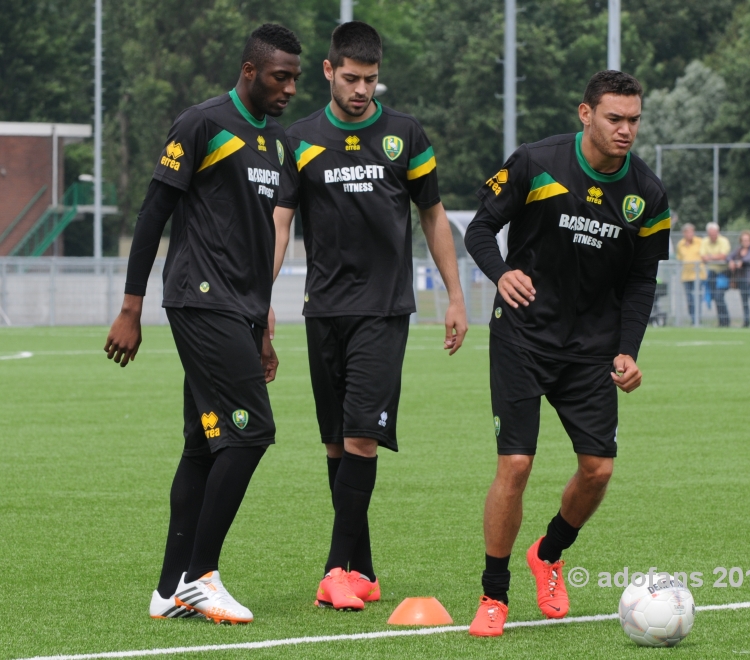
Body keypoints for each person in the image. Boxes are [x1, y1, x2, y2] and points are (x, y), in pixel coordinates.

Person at [103, 24, 302, 624]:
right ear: (249, 71)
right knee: (251, 432)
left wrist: (263, 326)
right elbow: (152, 214)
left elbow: (260, 236)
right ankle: (201, 575)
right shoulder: (203, 124)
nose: (290, 87)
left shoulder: (276, 143)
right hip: (200, 299)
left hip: (242, 310)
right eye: (280, 77)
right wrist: (131, 307)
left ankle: (169, 588)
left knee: (204, 444)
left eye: (295, 77)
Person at [464, 70, 671, 637]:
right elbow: (480, 229)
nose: (626, 129)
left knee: (598, 469)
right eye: (614, 118)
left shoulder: (647, 194)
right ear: (586, 114)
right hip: (523, 336)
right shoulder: (536, 162)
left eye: (633, 119)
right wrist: (501, 273)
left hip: (592, 349)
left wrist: (628, 351)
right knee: (517, 462)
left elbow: (641, 282)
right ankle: (494, 596)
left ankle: (549, 553)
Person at [273, 21, 468, 611]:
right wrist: (261, 299)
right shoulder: (299, 138)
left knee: (361, 438)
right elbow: (280, 221)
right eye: (352, 78)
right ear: (330, 72)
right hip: (321, 309)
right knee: (335, 445)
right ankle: (366, 570)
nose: (362, 90)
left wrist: (455, 297)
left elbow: (433, 216)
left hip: (383, 311)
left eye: (371, 81)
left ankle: (336, 569)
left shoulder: (404, 135)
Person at [700, 222, 731, 327]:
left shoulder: (723, 241)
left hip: (723, 273)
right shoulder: (705, 241)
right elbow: (703, 257)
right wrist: (715, 257)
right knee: (715, 297)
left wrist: (710, 257)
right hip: (712, 273)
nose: (712, 236)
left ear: (718, 232)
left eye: (714, 233)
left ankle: (726, 321)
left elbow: (723, 256)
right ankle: (721, 322)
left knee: (719, 296)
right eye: (710, 234)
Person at [728, 230, 750, 327]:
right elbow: (729, 257)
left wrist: (742, 261)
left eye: (747, 240)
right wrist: (731, 261)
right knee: (744, 302)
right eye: (744, 240)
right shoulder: (738, 250)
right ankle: (746, 322)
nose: (745, 242)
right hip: (741, 279)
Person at [675, 222, 706, 323]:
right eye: (688, 232)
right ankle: (693, 319)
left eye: (692, 232)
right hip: (686, 276)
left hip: (698, 275)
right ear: (684, 233)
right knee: (690, 300)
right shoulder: (680, 244)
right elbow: (679, 259)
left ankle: (698, 319)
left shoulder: (700, 242)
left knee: (697, 298)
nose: (690, 234)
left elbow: (704, 255)